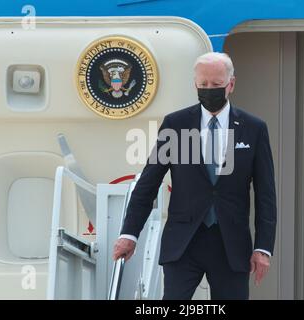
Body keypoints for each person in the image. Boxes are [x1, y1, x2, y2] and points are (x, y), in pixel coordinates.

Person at [113, 52, 277, 300]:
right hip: (183, 243)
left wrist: (263, 248)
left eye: (216, 85)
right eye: (203, 85)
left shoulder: (254, 128)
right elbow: (148, 183)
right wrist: (129, 234)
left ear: (231, 84)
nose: (209, 90)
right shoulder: (176, 125)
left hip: (230, 245)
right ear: (195, 84)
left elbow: (266, 195)